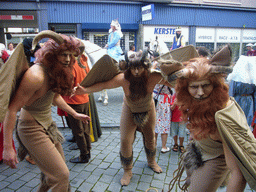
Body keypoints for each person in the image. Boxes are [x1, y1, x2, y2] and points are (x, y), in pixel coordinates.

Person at [2, 30, 90, 192]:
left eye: (71, 55)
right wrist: (8, 147)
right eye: (64, 54)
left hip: (48, 126)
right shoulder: (36, 75)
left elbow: (54, 97)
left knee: (54, 174)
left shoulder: (53, 70)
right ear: (52, 53)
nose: (68, 59)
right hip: (30, 129)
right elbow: (12, 109)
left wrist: (74, 113)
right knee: (61, 176)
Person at [74, 51, 173, 186]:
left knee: (150, 137)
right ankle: (128, 170)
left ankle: (151, 162)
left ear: (146, 66)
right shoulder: (123, 78)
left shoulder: (154, 76)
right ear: (128, 67)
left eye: (139, 68)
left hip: (148, 109)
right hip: (129, 109)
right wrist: (85, 90)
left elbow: (174, 83)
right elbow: (104, 85)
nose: (136, 71)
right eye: (133, 68)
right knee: (125, 139)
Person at [168, 45, 256, 191]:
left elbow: (238, 172)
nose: (200, 92)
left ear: (215, 84)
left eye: (205, 85)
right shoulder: (192, 99)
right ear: (186, 88)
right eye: (194, 87)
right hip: (198, 149)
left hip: (215, 158)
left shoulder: (223, 115)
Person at [62, 54, 91, 163]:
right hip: (84, 99)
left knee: (78, 131)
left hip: (74, 102)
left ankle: (84, 155)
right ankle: (88, 150)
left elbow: (68, 87)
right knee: (85, 128)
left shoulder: (71, 66)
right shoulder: (83, 61)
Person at [98, 19, 124, 106]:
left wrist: (108, 45)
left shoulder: (117, 33)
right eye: (111, 25)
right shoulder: (111, 33)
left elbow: (113, 42)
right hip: (110, 48)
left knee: (111, 57)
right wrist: (107, 45)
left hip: (115, 49)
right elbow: (109, 41)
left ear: (114, 26)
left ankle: (115, 68)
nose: (110, 26)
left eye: (112, 25)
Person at [152, 52, 172, 153]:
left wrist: (154, 65)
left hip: (155, 99)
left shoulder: (155, 74)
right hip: (165, 101)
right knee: (164, 122)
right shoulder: (170, 75)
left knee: (154, 122)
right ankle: (164, 147)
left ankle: (154, 145)